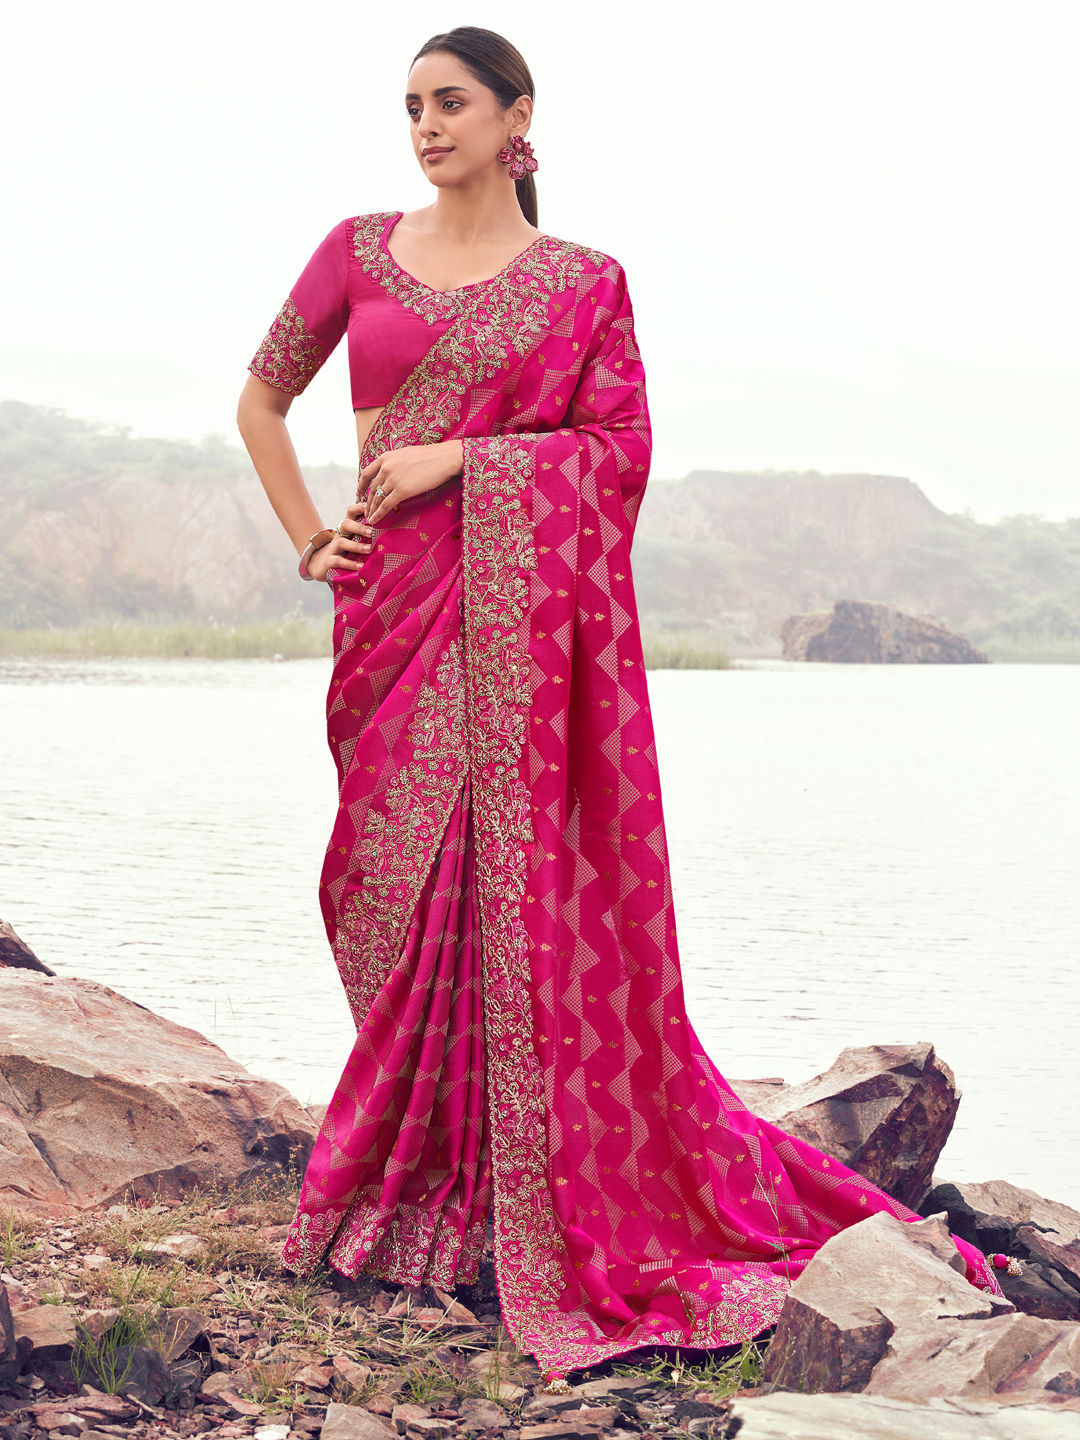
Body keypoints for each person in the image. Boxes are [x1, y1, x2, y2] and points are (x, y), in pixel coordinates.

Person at [236, 24, 1015, 1392]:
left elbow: (617, 451)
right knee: (381, 887)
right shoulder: (354, 250)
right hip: (393, 616)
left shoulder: (584, 284)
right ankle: (424, 1182)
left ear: (517, 116)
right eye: (411, 106)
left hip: (515, 639)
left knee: (509, 899)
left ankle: (483, 1202)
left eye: (451, 102)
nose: (425, 126)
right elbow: (261, 399)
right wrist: (315, 537)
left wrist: (460, 459)